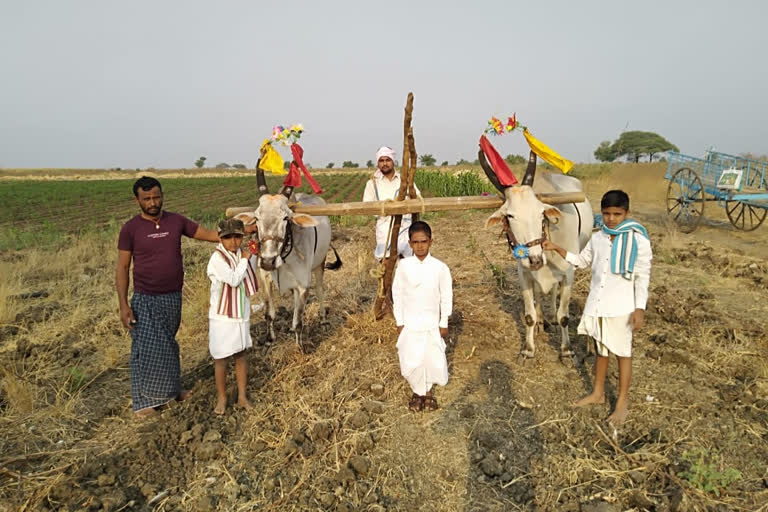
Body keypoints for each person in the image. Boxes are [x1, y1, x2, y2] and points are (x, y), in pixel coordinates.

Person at [543, 190, 652, 425]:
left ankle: (622, 402)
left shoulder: (638, 241)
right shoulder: (599, 238)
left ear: (627, 213)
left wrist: (639, 308)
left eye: (617, 214)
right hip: (598, 304)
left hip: (622, 307)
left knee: (623, 353)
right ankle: (598, 393)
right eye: (606, 214)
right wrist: (555, 247)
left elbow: (642, 277)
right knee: (601, 350)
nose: (611, 219)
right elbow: (582, 261)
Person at [116, 176, 220, 418]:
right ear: (137, 200)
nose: (153, 202)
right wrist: (123, 305)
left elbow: (208, 235)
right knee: (145, 348)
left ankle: (172, 392)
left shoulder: (176, 221)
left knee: (168, 346)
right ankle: (144, 404)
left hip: (173, 296)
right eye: (147, 199)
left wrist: (241, 230)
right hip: (146, 298)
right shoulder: (130, 229)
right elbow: (122, 268)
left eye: (156, 197)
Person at [392, 221, 453, 412]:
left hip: (431, 323)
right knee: (412, 358)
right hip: (410, 323)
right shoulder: (403, 266)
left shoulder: (440, 268)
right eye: (415, 242)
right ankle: (417, 392)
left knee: (431, 357)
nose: (420, 246)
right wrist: (400, 321)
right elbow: (398, 294)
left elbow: (446, 296)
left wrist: (443, 322)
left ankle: (427, 393)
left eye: (424, 242)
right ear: (410, 243)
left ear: (431, 242)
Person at [207, 218, 258, 415]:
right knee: (221, 358)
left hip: (241, 313)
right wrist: (246, 258)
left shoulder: (241, 255)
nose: (233, 241)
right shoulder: (217, 259)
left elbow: (252, 270)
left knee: (241, 354)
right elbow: (234, 280)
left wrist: (253, 254)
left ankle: (242, 396)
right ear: (220, 239)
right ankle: (222, 397)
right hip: (223, 316)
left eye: (237, 237)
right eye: (228, 237)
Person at [362, 146, 421, 260]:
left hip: (405, 226)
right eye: (381, 160)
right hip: (385, 227)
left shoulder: (405, 180)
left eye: (387, 160)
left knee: (408, 263)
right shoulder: (372, 183)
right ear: (378, 163)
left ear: (393, 161)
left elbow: (418, 198)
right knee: (386, 264)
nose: (385, 163)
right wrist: (385, 210)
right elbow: (367, 206)